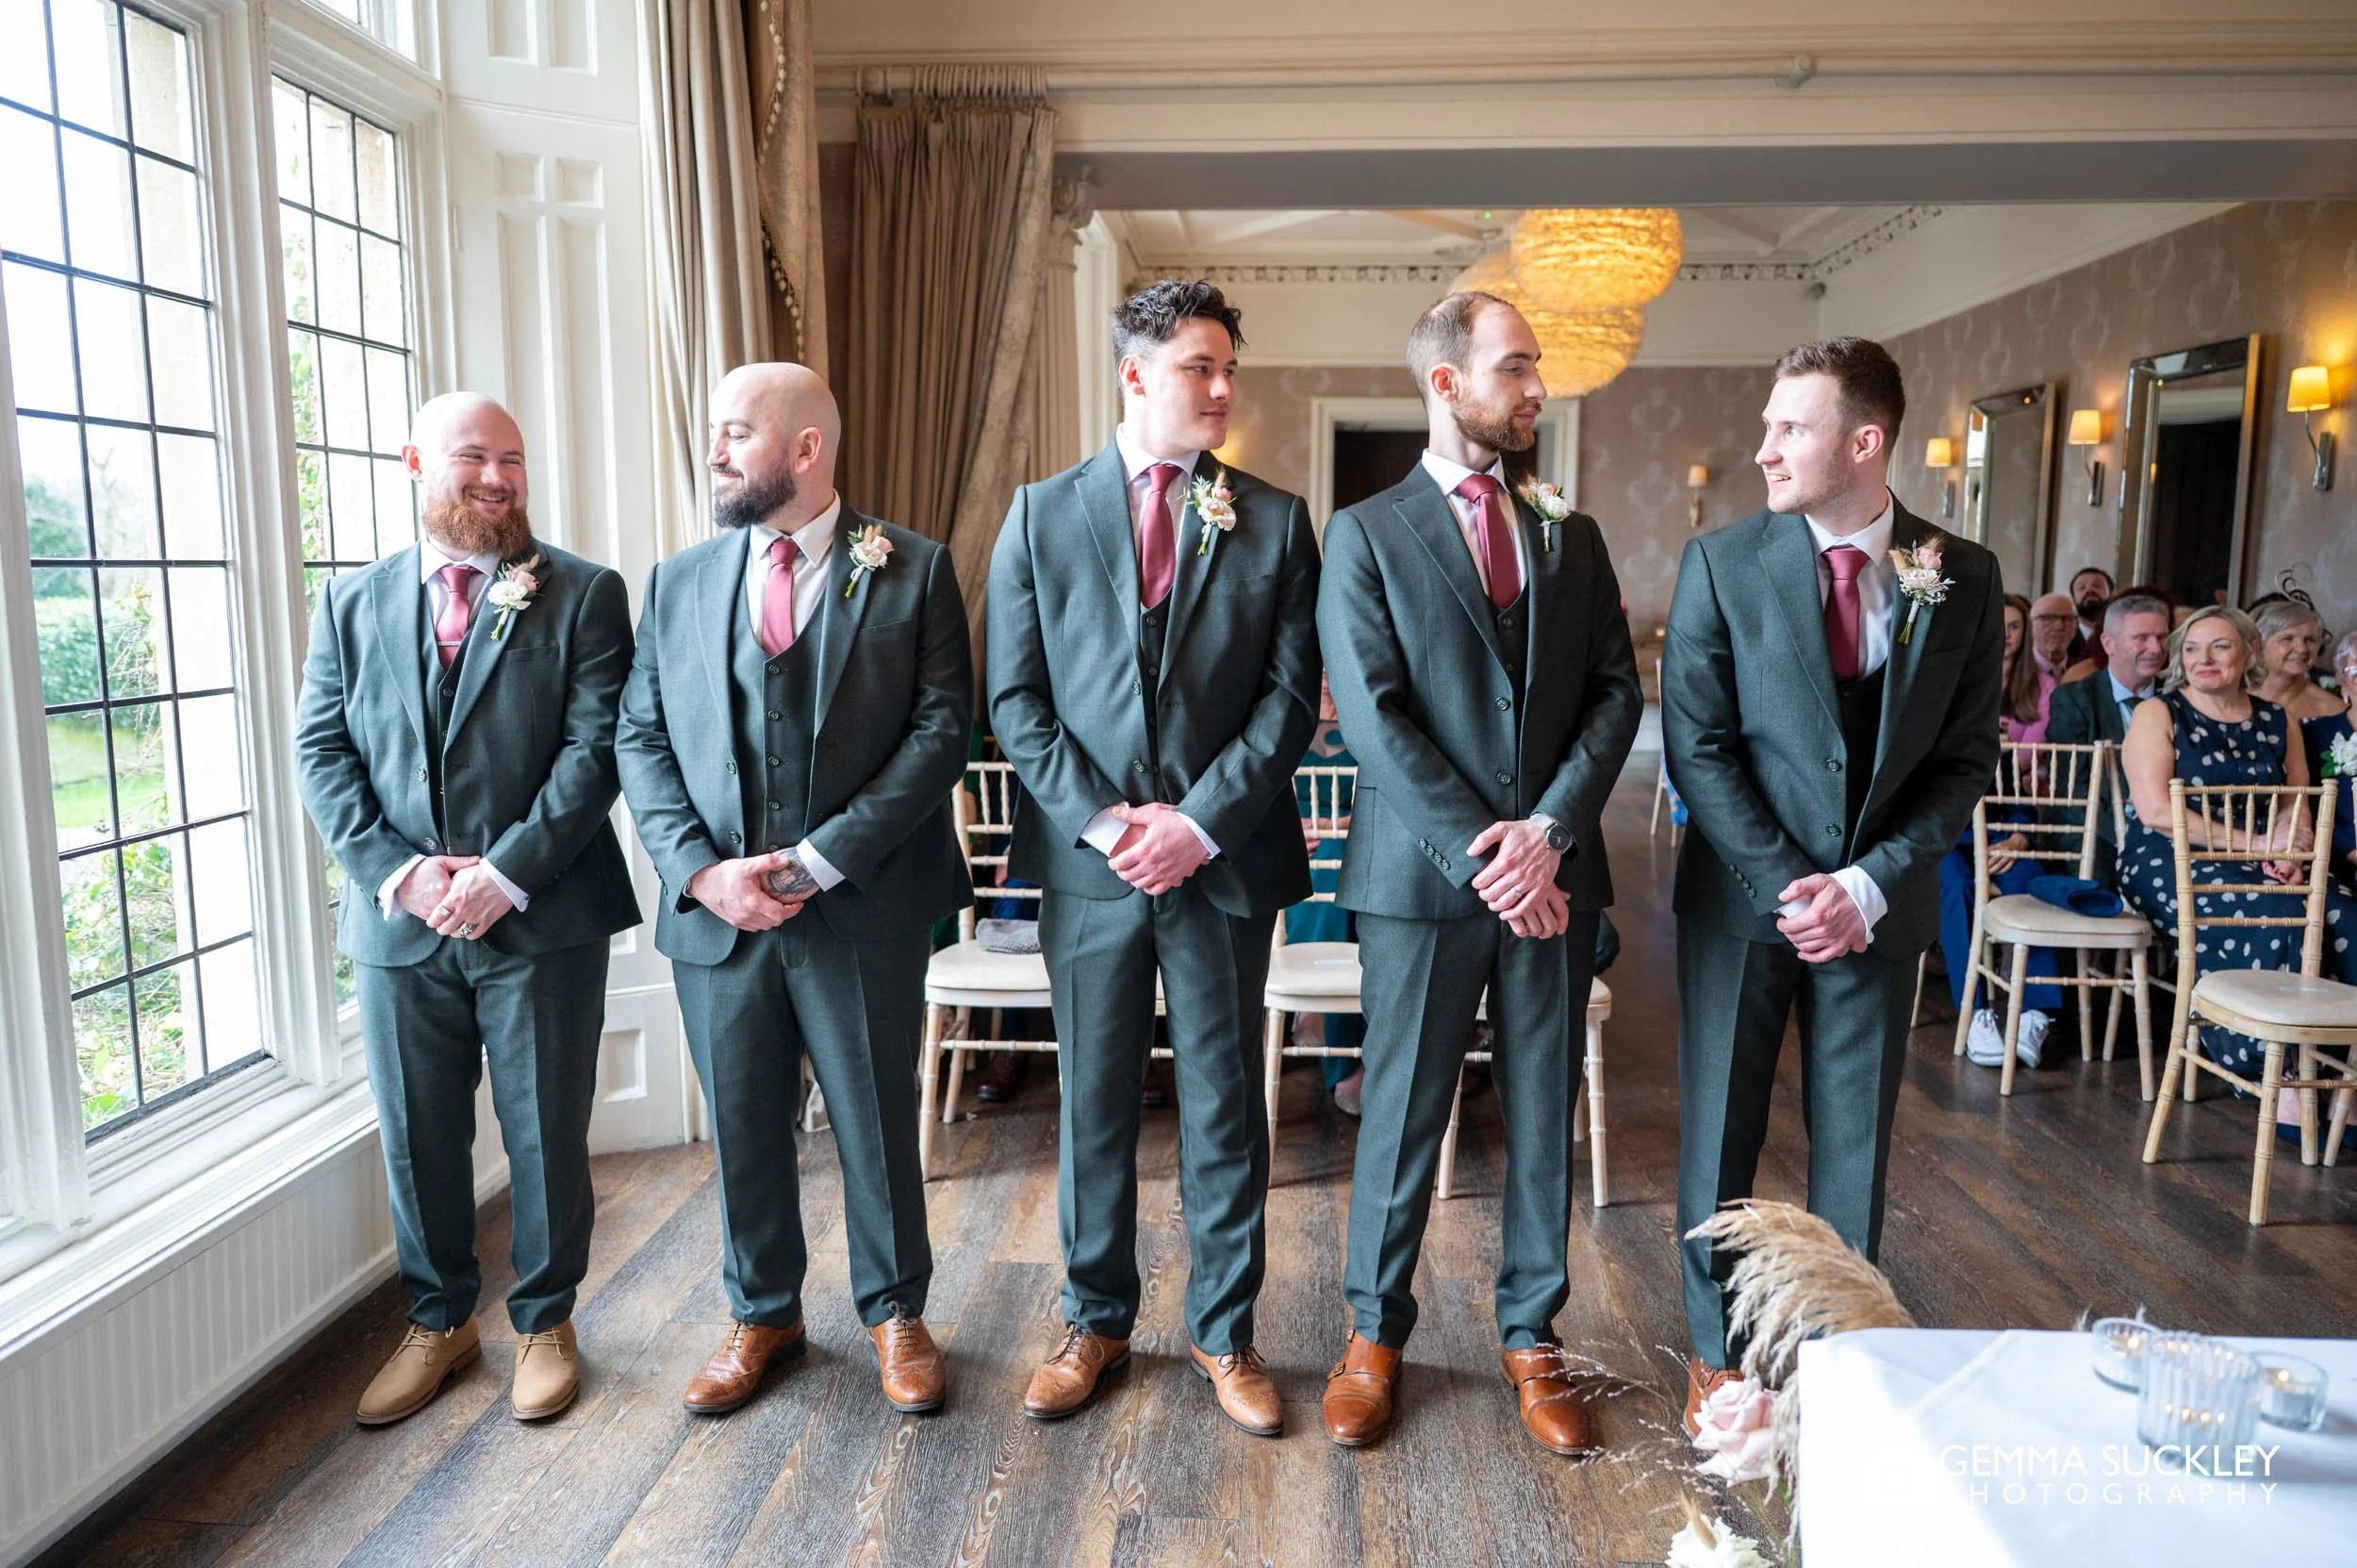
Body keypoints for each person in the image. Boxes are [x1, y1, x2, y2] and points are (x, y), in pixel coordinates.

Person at [988, 280, 1321, 1437]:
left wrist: (1195, 823)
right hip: (1090, 868)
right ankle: (1094, 1320)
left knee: (1228, 1105)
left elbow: (1287, 707)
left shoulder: (1274, 520)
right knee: (1092, 1105)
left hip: (1221, 863)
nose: (1224, 388)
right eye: (1199, 366)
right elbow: (1016, 700)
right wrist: (1108, 823)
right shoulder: (1038, 515)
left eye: (1230, 368)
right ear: (1134, 373)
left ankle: (1226, 1334)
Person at [1317, 289, 1640, 1457]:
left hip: (1556, 870)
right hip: (1419, 877)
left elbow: (1614, 691)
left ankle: (1531, 1334)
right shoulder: (1363, 533)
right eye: (1516, 368)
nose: (1537, 388)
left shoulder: (1571, 529)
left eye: (1537, 367)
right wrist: (1486, 851)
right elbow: (1372, 716)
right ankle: (1373, 1334)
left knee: (1542, 1103)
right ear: (1445, 383)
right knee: (1402, 1105)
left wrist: (1548, 831)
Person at [615, 363, 972, 1420]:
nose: (716, 452)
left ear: (805, 449)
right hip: (719, 914)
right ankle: (760, 1311)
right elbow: (640, 737)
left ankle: (896, 1311)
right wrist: (699, 871)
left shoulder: (913, 568)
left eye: (735, 433)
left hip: (860, 905)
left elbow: (939, 734)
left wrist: (820, 859)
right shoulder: (678, 580)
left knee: (871, 1116)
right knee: (742, 1122)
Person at [1662, 337, 2002, 1435]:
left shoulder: (1960, 571)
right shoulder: (1721, 564)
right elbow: (1699, 746)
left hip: (1877, 910)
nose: (1763, 448)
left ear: (1865, 441)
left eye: (1788, 428)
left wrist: (1866, 882)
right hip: (1741, 901)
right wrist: (1792, 883)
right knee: (1720, 1128)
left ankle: (1838, 1353)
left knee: (1854, 1141)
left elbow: (1961, 760)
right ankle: (1719, 1356)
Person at [294, 393, 640, 1426]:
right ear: (414, 463)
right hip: (400, 924)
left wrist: (503, 872)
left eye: (513, 460)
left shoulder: (582, 594)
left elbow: (594, 754)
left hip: (540, 915)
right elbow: (322, 753)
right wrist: (402, 875)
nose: (497, 478)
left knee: (544, 1132)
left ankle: (545, 1320)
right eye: (473, 458)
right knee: (418, 1133)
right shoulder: (349, 604)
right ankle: (439, 1321)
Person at [2118, 606, 2357, 1101]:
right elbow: (2158, 811)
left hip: (2266, 857)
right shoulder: (2158, 712)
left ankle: (2342, 1070)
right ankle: (2280, 1075)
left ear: (2249, 651)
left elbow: (2296, 801)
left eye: (2220, 646)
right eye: (2191, 648)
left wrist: (2293, 851)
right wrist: (2257, 845)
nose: (2203, 658)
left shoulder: (2277, 719)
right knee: (2282, 911)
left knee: (2345, 911)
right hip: (2170, 855)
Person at [1287, 672, 1364, 1114]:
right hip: (1294, 854)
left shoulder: (1368, 719)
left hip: (1364, 850)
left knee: (1341, 858)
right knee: (1323, 864)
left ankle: (1319, 1013)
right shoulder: (1280, 720)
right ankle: (1345, 1055)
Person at [2304, 630, 2357, 896]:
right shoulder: (2317, 733)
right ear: (2342, 680)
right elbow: (2309, 803)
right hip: (2336, 860)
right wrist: (2349, 849)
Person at [2250, 597, 2344, 724]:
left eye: (2310, 640)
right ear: (2258, 645)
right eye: (2287, 639)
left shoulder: (2334, 711)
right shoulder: (2227, 696)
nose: (2301, 649)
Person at [1998, 593, 2048, 744]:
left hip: (2019, 767)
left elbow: (2028, 754)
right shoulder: (1964, 679)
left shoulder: (2045, 686)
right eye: (1998, 625)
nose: (2006, 634)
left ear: (2025, 632)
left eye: (2014, 626)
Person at [2070, 565, 2115, 650]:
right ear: (2073, 600)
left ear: (2112, 595)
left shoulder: (2123, 637)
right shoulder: (2066, 640)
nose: (2089, 590)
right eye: (2081, 587)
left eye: (2097, 586)